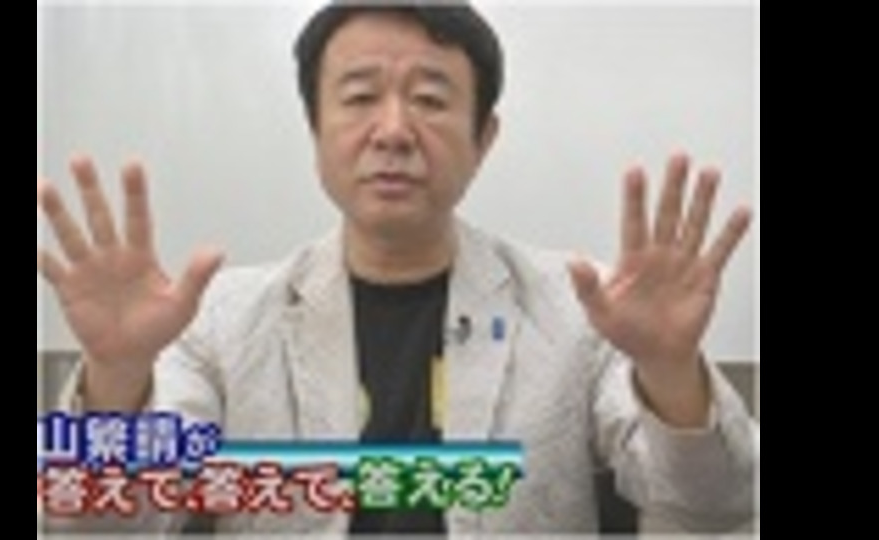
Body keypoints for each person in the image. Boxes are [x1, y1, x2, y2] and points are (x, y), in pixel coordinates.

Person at [37, 1, 757, 535]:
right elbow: (97, 523)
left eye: (430, 100)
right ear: (315, 130)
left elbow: (718, 506)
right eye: (358, 98)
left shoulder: (579, 310)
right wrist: (118, 379)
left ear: (483, 138)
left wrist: (669, 369)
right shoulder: (222, 322)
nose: (392, 131)